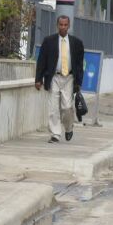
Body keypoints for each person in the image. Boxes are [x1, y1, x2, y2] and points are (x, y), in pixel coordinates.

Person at [35, 15, 86, 143]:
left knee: (67, 107)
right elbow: (41, 61)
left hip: (69, 78)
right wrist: (38, 79)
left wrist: (79, 82)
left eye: (65, 25)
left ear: (69, 26)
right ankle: (55, 134)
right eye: (60, 25)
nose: (63, 27)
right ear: (57, 25)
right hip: (54, 78)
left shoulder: (77, 43)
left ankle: (69, 128)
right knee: (53, 108)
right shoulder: (49, 41)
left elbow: (80, 65)